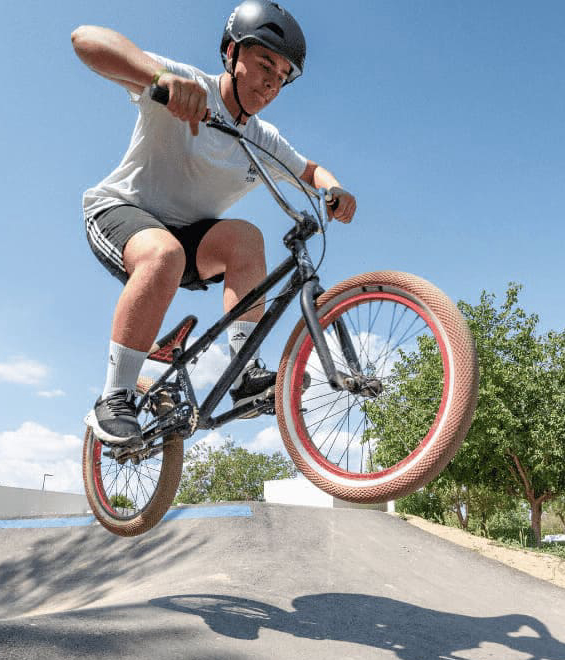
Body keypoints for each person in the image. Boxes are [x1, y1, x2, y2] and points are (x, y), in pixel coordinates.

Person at [72, 0, 357, 447]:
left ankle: (244, 374)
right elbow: (86, 39)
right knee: (163, 252)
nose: (272, 82)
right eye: (264, 64)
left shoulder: (262, 139)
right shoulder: (191, 86)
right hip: (120, 212)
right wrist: (159, 79)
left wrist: (334, 188)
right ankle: (115, 396)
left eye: (283, 75)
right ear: (231, 53)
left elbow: (310, 170)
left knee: (246, 237)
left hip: (186, 240)